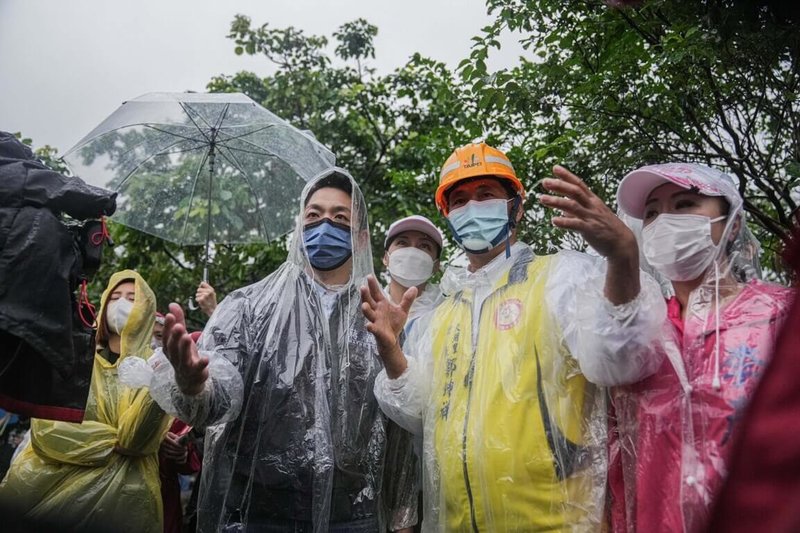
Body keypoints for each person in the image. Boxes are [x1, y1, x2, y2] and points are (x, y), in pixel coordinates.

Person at [361, 142, 666, 531]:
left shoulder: (562, 278)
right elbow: (420, 413)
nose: (472, 207)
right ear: (449, 217)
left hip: (556, 523)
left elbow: (625, 359)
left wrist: (623, 258)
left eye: (486, 194)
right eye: (459, 200)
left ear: (516, 207)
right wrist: (392, 353)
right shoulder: (443, 314)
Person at [153, 168, 417, 532]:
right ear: (299, 228)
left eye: (340, 217)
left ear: (360, 237)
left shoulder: (379, 316)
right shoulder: (248, 306)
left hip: (355, 517)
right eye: (314, 215)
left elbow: (398, 428)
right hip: (262, 513)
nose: (324, 224)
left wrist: (402, 517)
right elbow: (217, 399)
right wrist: (193, 384)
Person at [608, 163, 794, 533]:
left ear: (733, 223)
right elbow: (618, 466)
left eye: (684, 204)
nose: (664, 222)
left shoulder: (781, 317)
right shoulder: (637, 337)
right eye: (652, 213)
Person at [0, 270, 172, 532]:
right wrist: (113, 444)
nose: (122, 304)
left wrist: (162, 375)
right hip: (46, 493)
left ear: (147, 308)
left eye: (131, 297)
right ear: (103, 304)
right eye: (115, 297)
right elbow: (48, 430)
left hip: (122, 504)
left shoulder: (157, 367)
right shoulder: (74, 355)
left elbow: (137, 441)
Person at [383, 215, 445, 327]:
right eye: (402, 243)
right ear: (386, 258)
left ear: (436, 265)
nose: (412, 251)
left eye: (424, 246)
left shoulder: (448, 310)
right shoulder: (365, 307)